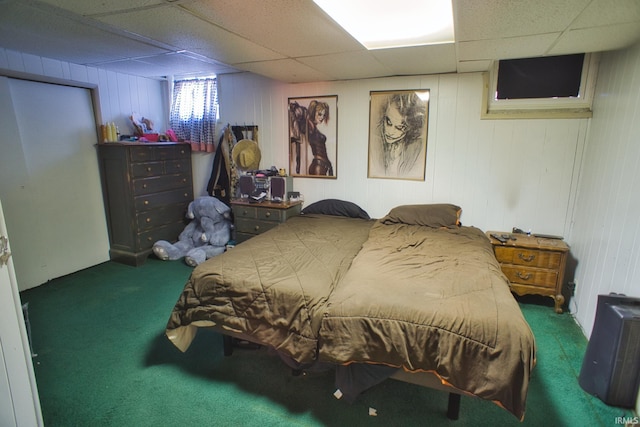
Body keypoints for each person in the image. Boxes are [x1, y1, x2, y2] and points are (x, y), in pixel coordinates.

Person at [370, 92, 426, 179]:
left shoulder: (418, 149)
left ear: (410, 129)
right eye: (388, 122)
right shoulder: (373, 143)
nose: (390, 131)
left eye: (399, 128)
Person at [306, 100, 334, 176]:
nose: (322, 117)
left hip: (321, 166)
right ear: (313, 112)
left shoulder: (313, 127)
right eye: (319, 114)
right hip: (318, 166)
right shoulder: (310, 125)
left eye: (324, 115)